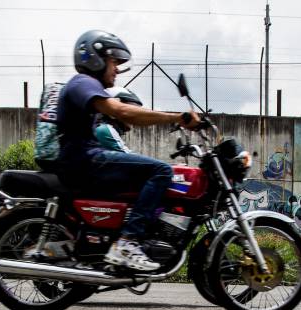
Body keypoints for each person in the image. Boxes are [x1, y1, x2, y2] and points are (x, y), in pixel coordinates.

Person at [56, 30, 200, 271]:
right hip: (84, 160)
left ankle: (126, 238)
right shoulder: (83, 83)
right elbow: (122, 111)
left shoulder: (87, 86)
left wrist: (174, 119)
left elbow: (133, 118)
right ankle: (127, 242)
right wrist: (178, 117)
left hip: (83, 159)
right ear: (96, 59)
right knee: (162, 171)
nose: (117, 70)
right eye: (114, 62)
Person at [94, 86, 141, 153]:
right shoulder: (104, 129)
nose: (134, 115)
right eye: (130, 109)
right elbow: (130, 158)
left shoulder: (98, 127)